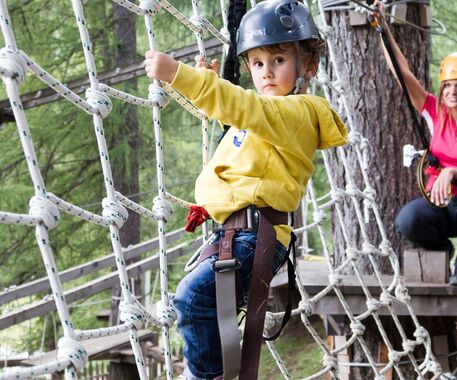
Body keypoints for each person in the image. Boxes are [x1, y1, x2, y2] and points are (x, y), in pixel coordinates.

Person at [144, 0, 347, 378]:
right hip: (238, 233)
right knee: (200, 304)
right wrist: (215, 202)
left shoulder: (298, 112)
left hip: (257, 237)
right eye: (256, 63)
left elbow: (243, 106)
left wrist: (179, 74)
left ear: (308, 64)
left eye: (278, 60)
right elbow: (242, 161)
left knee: (193, 299)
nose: (266, 72)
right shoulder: (258, 121)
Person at [373, 2, 457, 287]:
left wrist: (451, 172)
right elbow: (401, 72)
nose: (452, 91)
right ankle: (443, 249)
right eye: (447, 85)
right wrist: (383, 29)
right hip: (444, 208)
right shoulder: (435, 112)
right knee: (407, 220)